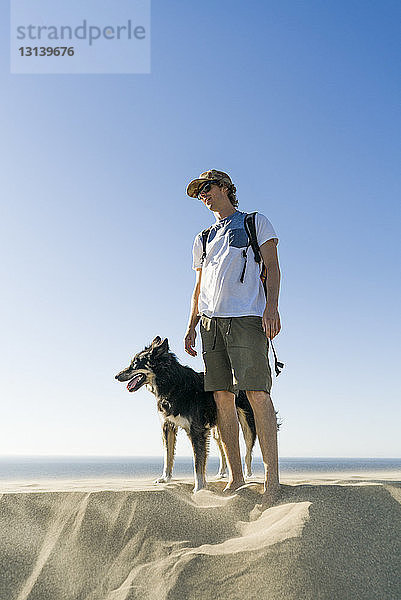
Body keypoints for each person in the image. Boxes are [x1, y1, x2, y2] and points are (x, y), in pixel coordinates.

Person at [184, 169, 281, 505]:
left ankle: (272, 478)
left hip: (247, 318)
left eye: (207, 189)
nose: (203, 196)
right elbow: (199, 287)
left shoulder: (256, 222)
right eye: (199, 193)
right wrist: (190, 324)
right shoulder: (203, 237)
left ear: (224, 187)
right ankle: (237, 478)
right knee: (222, 398)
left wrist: (272, 308)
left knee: (256, 392)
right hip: (210, 323)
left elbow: (273, 266)